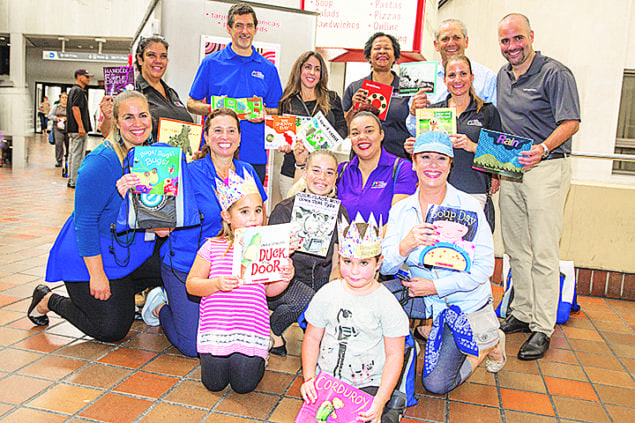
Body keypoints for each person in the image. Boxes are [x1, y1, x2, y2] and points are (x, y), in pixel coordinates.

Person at [28, 91, 163, 342]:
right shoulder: (100, 162)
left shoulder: (153, 158)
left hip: (127, 251)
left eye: (143, 115)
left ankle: (123, 295)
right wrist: (97, 275)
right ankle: (48, 299)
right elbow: (86, 224)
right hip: (91, 256)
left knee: (173, 262)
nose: (138, 123)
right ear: (116, 121)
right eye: (128, 117)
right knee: (111, 329)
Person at [381, 131, 506, 394]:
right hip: (421, 296)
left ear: (451, 164)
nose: (432, 165)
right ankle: (412, 343)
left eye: (441, 159)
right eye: (425, 157)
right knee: (379, 293)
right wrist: (406, 244)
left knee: (437, 384)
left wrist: (435, 287)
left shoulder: (469, 207)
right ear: (413, 161)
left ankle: (488, 342)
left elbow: (483, 268)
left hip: (462, 302)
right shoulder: (401, 210)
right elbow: (385, 268)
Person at [139, 108, 267, 357]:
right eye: (217, 130)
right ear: (206, 137)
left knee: (224, 339)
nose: (225, 136)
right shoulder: (187, 171)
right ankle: (158, 305)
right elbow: (160, 219)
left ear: (240, 137)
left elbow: (259, 218)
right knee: (192, 347)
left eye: (231, 130)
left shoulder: (248, 171)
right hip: (186, 264)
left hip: (230, 267)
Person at [496, 13, 580, 360]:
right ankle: (523, 312)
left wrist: (543, 148)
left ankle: (542, 327)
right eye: (505, 41)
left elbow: (571, 121)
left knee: (544, 252)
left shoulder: (555, 73)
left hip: (546, 167)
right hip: (512, 171)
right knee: (516, 248)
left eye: (517, 38)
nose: (512, 46)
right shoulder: (502, 75)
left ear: (531, 36)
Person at [186, 170, 293, 394]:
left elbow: (268, 292)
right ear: (227, 216)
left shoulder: (265, 247)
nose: (253, 218)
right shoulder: (212, 247)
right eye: (244, 212)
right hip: (217, 329)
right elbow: (192, 284)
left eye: (257, 211)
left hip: (250, 329)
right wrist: (215, 284)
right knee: (213, 384)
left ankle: (261, 353)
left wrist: (284, 278)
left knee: (243, 386)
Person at [301, 216, 409, 423]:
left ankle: (389, 410)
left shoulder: (387, 304)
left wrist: (379, 401)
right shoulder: (327, 293)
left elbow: (395, 355)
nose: (354, 271)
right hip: (328, 379)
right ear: (339, 258)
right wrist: (309, 378)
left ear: (379, 263)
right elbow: (312, 339)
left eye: (364, 263)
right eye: (347, 262)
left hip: (368, 384)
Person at [187, 2, 282, 183]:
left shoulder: (268, 69)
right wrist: (213, 109)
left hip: (253, 156)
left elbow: (277, 109)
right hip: (215, 152)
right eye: (238, 25)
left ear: (255, 30)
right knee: (213, 210)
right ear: (229, 28)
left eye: (249, 26)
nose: (244, 31)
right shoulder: (211, 63)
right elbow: (191, 104)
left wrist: (265, 113)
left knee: (249, 209)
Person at [267, 149, 349, 356]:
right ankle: (271, 330)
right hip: (286, 283)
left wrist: (335, 291)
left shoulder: (340, 212)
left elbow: (339, 259)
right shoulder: (283, 210)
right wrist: (283, 248)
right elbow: (268, 260)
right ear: (305, 173)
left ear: (335, 178)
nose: (322, 178)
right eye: (316, 170)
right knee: (304, 299)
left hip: (320, 279)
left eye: (329, 172)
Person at [405, 55, 502, 208]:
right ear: (444, 80)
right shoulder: (432, 111)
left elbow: (501, 159)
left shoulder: (487, 111)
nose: (458, 80)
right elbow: (423, 156)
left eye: (463, 74)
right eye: (451, 75)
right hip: (435, 190)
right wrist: (414, 148)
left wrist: (472, 146)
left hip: (473, 190)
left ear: (472, 77)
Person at [406, 18, 498, 136]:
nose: (451, 43)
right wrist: (414, 114)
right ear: (436, 45)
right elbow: (415, 131)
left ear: (466, 41)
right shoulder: (422, 76)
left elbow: (493, 131)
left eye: (456, 38)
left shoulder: (487, 77)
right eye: (445, 39)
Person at [277, 51, 347, 197]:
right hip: (292, 172)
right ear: (300, 69)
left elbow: (342, 128)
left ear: (321, 74)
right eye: (308, 67)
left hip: (322, 175)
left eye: (317, 69)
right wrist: (284, 144)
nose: (312, 72)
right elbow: (282, 132)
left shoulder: (332, 98)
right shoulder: (287, 101)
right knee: (290, 216)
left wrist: (327, 142)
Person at [99, 37, 193, 142]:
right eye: (151, 55)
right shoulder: (131, 92)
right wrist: (108, 117)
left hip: (179, 157)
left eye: (163, 56)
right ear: (140, 59)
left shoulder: (171, 92)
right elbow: (109, 133)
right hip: (146, 157)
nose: (158, 61)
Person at [334, 111, 417, 224]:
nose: (362, 137)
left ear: (381, 135)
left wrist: (367, 242)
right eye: (355, 133)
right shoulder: (341, 171)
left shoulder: (402, 169)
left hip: (385, 241)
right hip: (341, 241)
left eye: (369, 131)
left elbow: (398, 220)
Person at [342, 32, 412, 159]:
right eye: (377, 48)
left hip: (398, 159)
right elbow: (343, 130)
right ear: (369, 56)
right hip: (362, 160)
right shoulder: (355, 87)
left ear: (395, 56)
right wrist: (354, 108)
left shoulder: (407, 88)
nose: (382, 52)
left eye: (387, 48)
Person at [66, 69, 93, 189]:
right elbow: (75, 108)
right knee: (77, 154)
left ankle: (71, 179)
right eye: (86, 76)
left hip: (73, 128)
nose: (88, 79)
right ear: (79, 77)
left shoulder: (73, 90)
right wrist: (81, 126)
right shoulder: (78, 91)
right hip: (78, 129)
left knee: (72, 154)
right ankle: (74, 181)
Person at [51, 93, 69, 168]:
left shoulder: (70, 107)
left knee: (68, 144)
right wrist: (56, 118)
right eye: (63, 97)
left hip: (68, 128)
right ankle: (59, 160)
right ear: (60, 98)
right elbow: (50, 115)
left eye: (65, 97)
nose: (64, 99)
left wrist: (66, 118)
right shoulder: (56, 107)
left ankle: (67, 159)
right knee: (59, 144)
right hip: (57, 128)